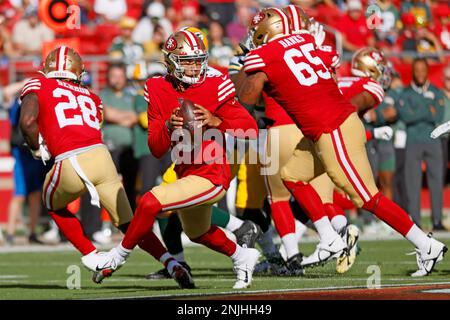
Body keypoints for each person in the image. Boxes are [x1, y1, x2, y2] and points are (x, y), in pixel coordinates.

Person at [238, 7, 447, 277]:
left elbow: (248, 98)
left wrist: (247, 66)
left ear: (269, 30)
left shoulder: (264, 54)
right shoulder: (306, 40)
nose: (253, 38)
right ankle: (330, 239)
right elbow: (329, 59)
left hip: (332, 128)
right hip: (322, 128)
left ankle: (426, 244)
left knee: (367, 198)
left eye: (256, 33)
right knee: (291, 176)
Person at [89, 30, 261, 289]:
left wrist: (217, 120)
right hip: (186, 171)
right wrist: (169, 126)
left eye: (198, 60)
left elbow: (250, 128)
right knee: (199, 232)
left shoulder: (214, 83)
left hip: (212, 172)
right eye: (187, 61)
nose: (194, 67)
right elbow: (156, 148)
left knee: (149, 201)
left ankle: (116, 257)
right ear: (170, 61)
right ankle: (243, 255)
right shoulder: (157, 87)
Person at [18, 46, 193, 288]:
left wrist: (37, 147)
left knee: (53, 205)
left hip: (71, 158)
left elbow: (27, 122)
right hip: (102, 157)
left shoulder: (39, 84)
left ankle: (92, 257)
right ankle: (172, 264)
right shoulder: (91, 96)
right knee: (129, 223)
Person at [397, 58, 446, 231]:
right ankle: (415, 221)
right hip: (413, 141)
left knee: (436, 181)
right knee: (412, 182)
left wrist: (416, 112)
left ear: (427, 71)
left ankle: (437, 220)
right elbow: (405, 116)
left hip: (433, 140)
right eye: (416, 70)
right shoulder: (405, 93)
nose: (419, 73)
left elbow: (438, 116)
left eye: (422, 70)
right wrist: (426, 110)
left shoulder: (436, 91)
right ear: (412, 71)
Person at [100, 63, 139, 210]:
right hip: (109, 149)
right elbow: (107, 113)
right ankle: (101, 226)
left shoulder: (132, 95)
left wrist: (117, 116)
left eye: (120, 76)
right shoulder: (103, 95)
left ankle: (132, 224)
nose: (117, 80)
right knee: (105, 187)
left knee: (130, 188)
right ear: (108, 78)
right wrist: (127, 117)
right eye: (114, 76)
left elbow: (138, 115)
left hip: (130, 149)